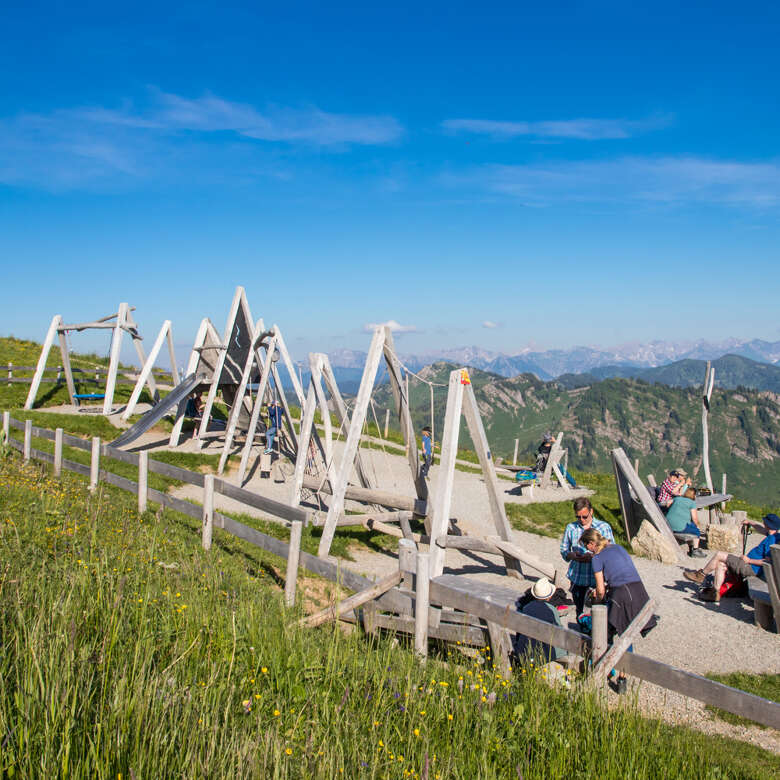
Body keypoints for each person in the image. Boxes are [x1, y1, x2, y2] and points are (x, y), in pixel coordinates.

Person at [581, 528, 658, 694]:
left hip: (621, 593)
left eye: (587, 547)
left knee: (614, 632)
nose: (588, 551)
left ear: (592, 544)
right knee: (628, 632)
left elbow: (600, 590)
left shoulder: (597, 558)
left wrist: (597, 601)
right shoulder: (619, 548)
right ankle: (623, 677)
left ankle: (602, 667)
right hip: (638, 589)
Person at [683, 513, 780, 603]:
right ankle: (715, 593)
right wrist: (750, 522)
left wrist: (749, 560)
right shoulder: (773, 535)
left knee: (719, 555)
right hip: (749, 565)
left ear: (767, 524)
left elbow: (768, 561)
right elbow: (760, 528)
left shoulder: (771, 540)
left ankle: (701, 575)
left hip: (750, 567)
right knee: (721, 565)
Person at [559, 497, 614, 617]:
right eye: (578, 517)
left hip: (598, 579)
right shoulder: (571, 528)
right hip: (578, 577)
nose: (582, 520)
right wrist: (572, 555)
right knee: (580, 613)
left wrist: (594, 557)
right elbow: (564, 550)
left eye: (584, 517)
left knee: (600, 613)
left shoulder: (603, 527)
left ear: (591, 512)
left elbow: (611, 551)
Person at [511, 577, 565, 664]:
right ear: (550, 596)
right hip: (544, 653)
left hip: (524, 651)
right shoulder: (551, 610)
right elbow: (558, 632)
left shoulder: (526, 608)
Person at [666, 487, 706, 557]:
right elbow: (694, 518)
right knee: (696, 531)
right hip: (680, 528)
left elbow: (668, 503)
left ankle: (691, 547)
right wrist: (697, 526)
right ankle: (695, 550)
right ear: (694, 495)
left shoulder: (677, 498)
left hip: (668, 525)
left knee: (690, 528)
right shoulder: (692, 503)